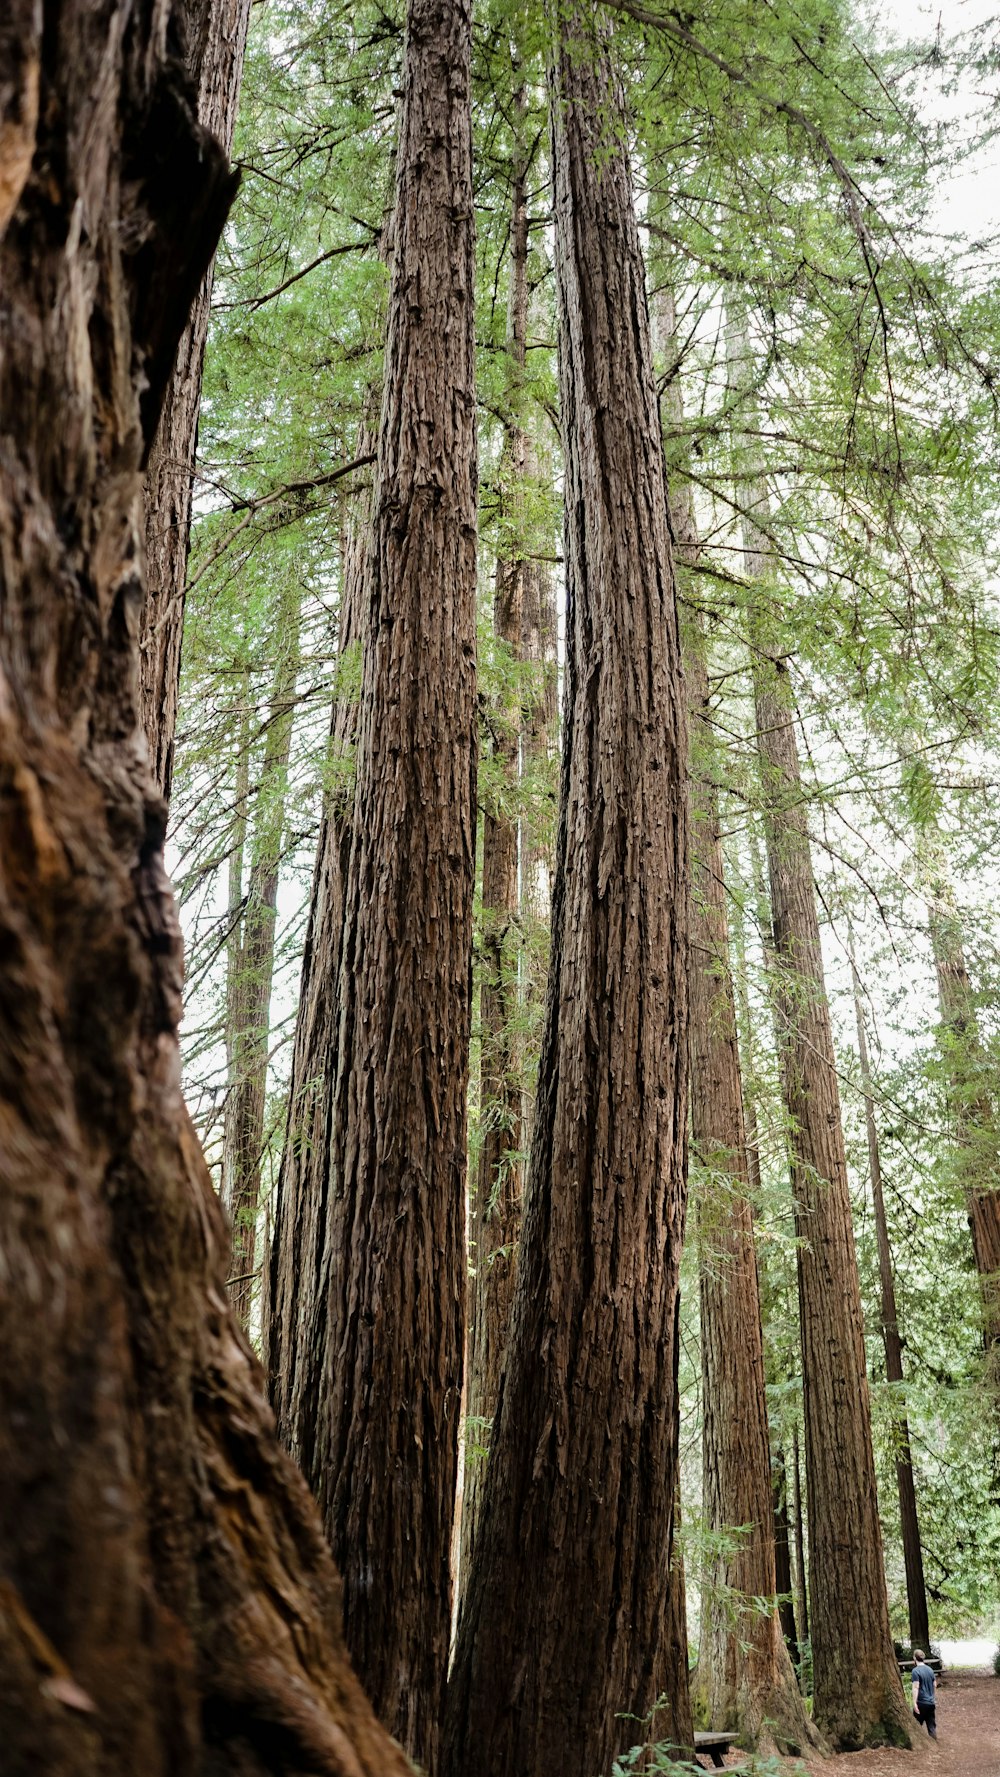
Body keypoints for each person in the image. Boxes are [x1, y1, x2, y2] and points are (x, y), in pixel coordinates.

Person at [911, 1650, 938, 1739]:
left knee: (916, 1726)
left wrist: (914, 1703)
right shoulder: (930, 1670)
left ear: (915, 1658)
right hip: (931, 1703)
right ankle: (934, 1743)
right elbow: (935, 1684)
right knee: (931, 1726)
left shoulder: (915, 1671)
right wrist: (932, 1697)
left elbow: (916, 1687)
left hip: (921, 1703)